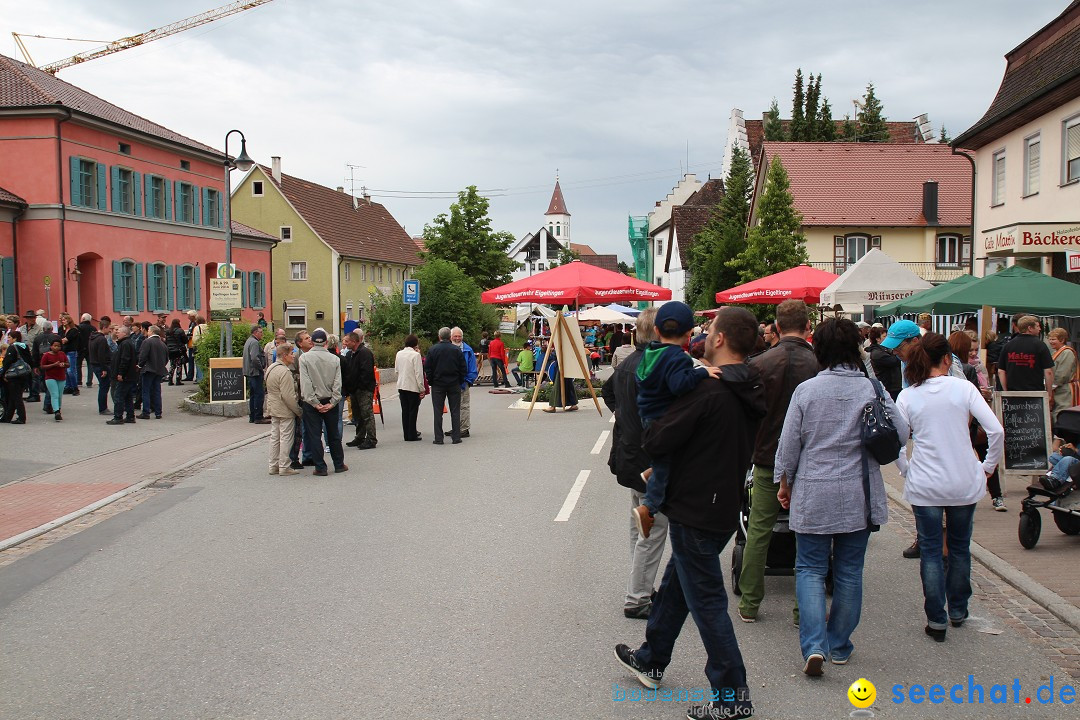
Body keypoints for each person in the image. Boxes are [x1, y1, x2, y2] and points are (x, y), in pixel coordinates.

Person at [614, 306, 765, 720]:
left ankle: (733, 697)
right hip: (720, 502)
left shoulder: (708, 391)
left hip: (696, 507)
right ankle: (651, 656)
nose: (704, 334)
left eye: (710, 329)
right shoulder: (750, 383)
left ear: (718, 340)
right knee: (679, 582)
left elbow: (659, 438)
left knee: (708, 604)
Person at [774, 318, 908, 676]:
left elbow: (789, 446)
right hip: (858, 493)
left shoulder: (807, 391)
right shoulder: (872, 389)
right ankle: (839, 643)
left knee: (810, 569)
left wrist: (783, 484)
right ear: (857, 348)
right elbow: (903, 432)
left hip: (814, 489)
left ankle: (813, 645)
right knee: (849, 572)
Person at [894, 332, 1003, 642]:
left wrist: (905, 469)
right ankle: (957, 609)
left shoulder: (909, 396)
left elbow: (898, 442)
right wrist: (986, 469)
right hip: (962, 479)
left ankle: (936, 618)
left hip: (926, 481)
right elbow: (995, 431)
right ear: (946, 359)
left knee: (930, 550)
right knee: (958, 547)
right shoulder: (963, 388)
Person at [738, 299, 818, 625]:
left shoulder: (759, 363)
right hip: (809, 460)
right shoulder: (819, 363)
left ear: (777, 327)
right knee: (806, 534)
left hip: (767, 457)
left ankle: (750, 603)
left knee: (758, 530)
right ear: (808, 326)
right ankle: (802, 611)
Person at [631, 301, 722, 537]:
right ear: (689, 334)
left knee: (668, 457)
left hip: (647, 416)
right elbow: (679, 385)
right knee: (676, 455)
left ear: (657, 331)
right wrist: (701, 372)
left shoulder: (651, 352)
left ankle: (652, 470)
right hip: (663, 419)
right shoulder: (677, 358)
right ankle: (648, 508)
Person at [601, 308, 669, 620]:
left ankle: (638, 584)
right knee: (652, 530)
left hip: (628, 455)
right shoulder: (654, 367)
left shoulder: (627, 363)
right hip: (648, 461)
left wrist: (626, 418)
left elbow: (607, 393)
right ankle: (638, 595)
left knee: (638, 525)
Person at [299, 329, 347, 475]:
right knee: (333, 434)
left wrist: (314, 402)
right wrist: (333, 402)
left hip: (312, 402)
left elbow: (306, 384)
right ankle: (339, 464)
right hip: (329, 400)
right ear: (326, 342)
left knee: (314, 435)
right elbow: (337, 383)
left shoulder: (305, 358)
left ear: (312, 342)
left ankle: (320, 467)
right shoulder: (335, 359)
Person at [997, 316, 1054, 406]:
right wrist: (1049, 393)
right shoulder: (1040, 345)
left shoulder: (1008, 346)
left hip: (1013, 394)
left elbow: (1001, 371)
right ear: (1030, 328)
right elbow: (1048, 371)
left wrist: (1006, 391)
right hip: (1035, 394)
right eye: (1037, 326)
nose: (1040, 329)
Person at [266, 341, 301, 476]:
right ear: (285, 355)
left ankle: (273, 465)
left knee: (275, 437)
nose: (293, 356)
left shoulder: (271, 368)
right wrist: (297, 411)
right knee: (286, 437)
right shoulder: (285, 372)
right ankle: (284, 466)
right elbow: (288, 396)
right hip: (285, 409)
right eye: (291, 353)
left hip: (273, 407)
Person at [426, 327, 466, 445]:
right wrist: (460, 380)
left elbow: (428, 367)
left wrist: (431, 381)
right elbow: (463, 368)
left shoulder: (433, 350)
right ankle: (456, 437)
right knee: (455, 410)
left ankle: (439, 438)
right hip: (454, 384)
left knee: (437, 411)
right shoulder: (456, 350)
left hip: (438, 384)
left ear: (439, 337)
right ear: (450, 337)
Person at [343, 330, 377, 449]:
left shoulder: (364, 353)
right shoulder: (350, 354)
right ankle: (360, 436)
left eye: (347, 341)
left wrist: (361, 387)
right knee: (358, 415)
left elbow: (366, 372)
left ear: (354, 341)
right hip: (354, 390)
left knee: (367, 414)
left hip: (363, 389)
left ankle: (371, 439)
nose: (345, 344)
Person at [395, 334, 426, 441]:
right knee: (413, 411)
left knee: (405, 410)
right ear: (415, 344)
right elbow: (419, 373)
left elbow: (396, 370)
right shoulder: (415, 355)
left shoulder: (399, 354)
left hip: (401, 385)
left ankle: (406, 434)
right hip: (412, 387)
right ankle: (412, 434)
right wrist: (421, 389)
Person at [450, 327, 478, 437]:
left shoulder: (468, 350)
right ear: (451, 337)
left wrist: (468, 381)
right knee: (454, 406)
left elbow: (472, 367)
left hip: (463, 382)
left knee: (464, 406)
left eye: (459, 336)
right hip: (451, 382)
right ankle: (456, 427)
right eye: (455, 336)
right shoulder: (448, 348)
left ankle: (464, 428)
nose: (457, 338)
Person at [106, 326, 137, 425]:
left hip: (125, 376)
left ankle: (118, 417)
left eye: (118, 332)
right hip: (128, 375)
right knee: (128, 396)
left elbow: (125, 360)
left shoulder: (125, 344)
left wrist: (120, 373)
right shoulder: (126, 343)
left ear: (124, 333)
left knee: (119, 396)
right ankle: (130, 416)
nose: (117, 333)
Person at [137, 325, 168, 420]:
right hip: (159, 370)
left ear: (152, 332)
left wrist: (140, 365)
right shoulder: (162, 343)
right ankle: (158, 412)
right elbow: (166, 358)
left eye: (149, 330)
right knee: (157, 391)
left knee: (146, 391)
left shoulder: (147, 342)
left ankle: (146, 412)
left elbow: (143, 355)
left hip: (148, 369)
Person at [1, 331, 32, 423]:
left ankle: (21, 417)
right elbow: (30, 360)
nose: (8, 339)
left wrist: (3, 374)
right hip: (24, 374)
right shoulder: (24, 347)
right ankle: (8, 417)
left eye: (10, 337)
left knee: (16, 397)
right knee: (14, 396)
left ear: (15, 338)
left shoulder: (12, 347)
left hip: (14, 375)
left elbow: (7, 362)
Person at [1048, 328, 1078, 422]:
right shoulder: (1055, 352)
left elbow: (1063, 374)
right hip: (1058, 388)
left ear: (1062, 340)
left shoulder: (1067, 352)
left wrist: (1051, 386)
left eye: (1054, 339)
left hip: (1064, 388)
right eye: (1050, 339)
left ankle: (1060, 435)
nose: (1051, 342)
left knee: (1062, 411)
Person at [243, 325, 270, 424]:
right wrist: (261, 368)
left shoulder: (249, 341)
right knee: (259, 394)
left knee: (253, 395)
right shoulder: (254, 342)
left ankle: (253, 416)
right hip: (255, 372)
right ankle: (258, 417)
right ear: (255, 333)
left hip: (249, 372)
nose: (262, 334)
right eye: (260, 332)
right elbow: (254, 357)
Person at [867, 326, 901, 400]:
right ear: (878, 339)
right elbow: (895, 361)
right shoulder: (878, 354)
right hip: (890, 387)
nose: (887, 339)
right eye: (884, 336)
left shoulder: (883, 350)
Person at [88, 318, 114, 415]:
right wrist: (104, 368)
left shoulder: (92, 337)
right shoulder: (101, 339)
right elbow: (101, 355)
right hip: (101, 365)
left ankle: (102, 407)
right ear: (104, 327)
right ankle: (103, 408)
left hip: (94, 364)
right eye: (108, 328)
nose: (110, 331)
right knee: (104, 387)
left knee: (103, 386)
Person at [39, 338, 69, 421]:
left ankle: (58, 409)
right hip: (50, 377)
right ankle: (56, 411)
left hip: (61, 377)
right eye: (55, 346)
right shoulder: (46, 355)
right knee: (54, 394)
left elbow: (68, 364)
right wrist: (53, 365)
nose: (57, 348)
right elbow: (42, 366)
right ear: (51, 346)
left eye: (59, 346)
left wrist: (64, 364)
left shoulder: (62, 354)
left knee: (59, 395)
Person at [60, 314, 81, 395]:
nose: (63, 321)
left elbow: (65, 340)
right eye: (62, 320)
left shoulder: (73, 330)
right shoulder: (63, 330)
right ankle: (68, 387)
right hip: (64, 351)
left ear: (69, 320)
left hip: (71, 351)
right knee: (66, 370)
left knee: (70, 370)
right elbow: (61, 339)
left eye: (64, 319)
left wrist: (63, 340)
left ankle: (75, 387)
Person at [165, 319, 187, 386]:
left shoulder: (168, 331)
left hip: (170, 350)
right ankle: (178, 380)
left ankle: (170, 379)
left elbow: (167, 341)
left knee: (172, 365)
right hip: (178, 350)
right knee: (179, 365)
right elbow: (185, 340)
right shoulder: (180, 331)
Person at [77, 313, 94, 387]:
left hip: (80, 348)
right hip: (90, 348)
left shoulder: (79, 327)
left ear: (83, 319)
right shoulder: (93, 328)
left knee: (78, 365)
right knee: (90, 365)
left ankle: (79, 381)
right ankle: (89, 382)